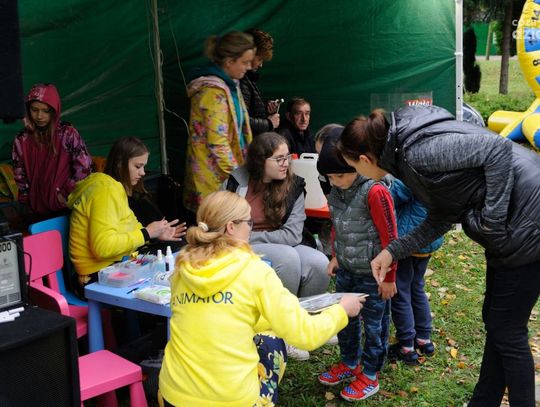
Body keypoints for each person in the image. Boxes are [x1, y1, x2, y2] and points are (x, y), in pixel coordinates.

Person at [337, 105, 540, 407]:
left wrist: (492, 222)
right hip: (516, 223)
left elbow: (496, 149)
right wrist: (393, 251)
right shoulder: (405, 157)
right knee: (497, 322)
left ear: (365, 160)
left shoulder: (418, 152)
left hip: (528, 220)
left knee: (507, 330)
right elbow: (442, 215)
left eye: (353, 167)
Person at [158, 190, 364, 407]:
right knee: (272, 341)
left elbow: (223, 314)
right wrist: (341, 310)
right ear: (231, 227)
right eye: (249, 222)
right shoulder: (254, 270)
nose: (251, 228)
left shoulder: (182, 269)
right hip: (231, 401)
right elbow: (305, 335)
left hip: (173, 394)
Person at [225, 132, 330, 360]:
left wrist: (252, 236)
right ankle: (282, 333)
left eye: (287, 157)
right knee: (287, 258)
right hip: (240, 244)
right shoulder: (235, 182)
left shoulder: (294, 185)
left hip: (277, 240)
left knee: (319, 263)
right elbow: (224, 224)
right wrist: (244, 238)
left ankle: (304, 324)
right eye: (279, 159)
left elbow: (292, 234)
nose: (286, 164)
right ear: (260, 160)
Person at [316, 132, 397, 402]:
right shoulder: (336, 191)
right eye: (330, 178)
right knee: (345, 321)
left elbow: (390, 237)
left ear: (355, 167)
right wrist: (336, 256)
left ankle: (371, 374)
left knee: (375, 327)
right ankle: (350, 363)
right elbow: (338, 225)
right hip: (347, 271)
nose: (334, 182)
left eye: (339, 176)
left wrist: (389, 277)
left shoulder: (375, 191)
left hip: (373, 276)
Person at [68, 136, 184, 293]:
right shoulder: (104, 191)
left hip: (115, 264)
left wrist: (156, 235)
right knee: (176, 256)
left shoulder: (114, 188)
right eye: (137, 166)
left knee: (176, 246)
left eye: (143, 167)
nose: (143, 172)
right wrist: (147, 233)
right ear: (119, 163)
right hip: (96, 276)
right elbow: (103, 248)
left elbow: (131, 226)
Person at [183, 31, 255, 215]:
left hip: (229, 175)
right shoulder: (212, 92)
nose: (249, 67)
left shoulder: (231, 85)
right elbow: (217, 142)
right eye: (245, 62)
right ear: (229, 61)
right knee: (216, 226)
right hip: (214, 180)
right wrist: (239, 176)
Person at [12, 83, 92, 221]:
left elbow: (84, 167)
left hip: (66, 207)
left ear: (54, 111)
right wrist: (27, 199)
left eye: (46, 111)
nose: (39, 116)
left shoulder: (67, 133)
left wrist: (65, 193)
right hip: (35, 210)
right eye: (34, 110)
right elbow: (19, 174)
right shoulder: (22, 139)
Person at [385, 176, 444, 365]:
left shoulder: (414, 172)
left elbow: (392, 196)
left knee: (401, 291)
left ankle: (406, 345)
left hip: (409, 240)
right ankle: (424, 339)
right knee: (416, 287)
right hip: (429, 238)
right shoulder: (443, 171)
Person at [240, 28, 280, 136]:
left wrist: (264, 107)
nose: (261, 65)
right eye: (260, 59)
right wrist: (269, 123)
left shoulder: (248, 80)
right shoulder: (242, 81)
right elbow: (242, 122)